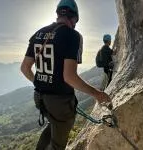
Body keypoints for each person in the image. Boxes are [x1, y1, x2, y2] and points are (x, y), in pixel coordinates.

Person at [20, 0, 111, 150]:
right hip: (60, 101)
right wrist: (97, 94)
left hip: (40, 97)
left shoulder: (38, 33)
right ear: (74, 17)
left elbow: (25, 68)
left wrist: (40, 82)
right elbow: (69, 77)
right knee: (57, 145)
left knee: (53, 124)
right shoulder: (73, 36)